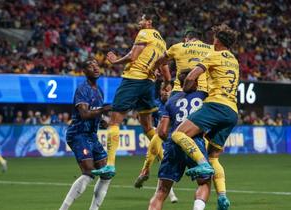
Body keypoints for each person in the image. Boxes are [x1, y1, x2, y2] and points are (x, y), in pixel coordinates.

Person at [170, 24, 239, 209]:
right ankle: (223, 196)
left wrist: (184, 90)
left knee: (178, 134)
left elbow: (192, 76)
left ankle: (202, 164)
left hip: (216, 105)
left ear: (217, 40)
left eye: (214, 38)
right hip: (232, 112)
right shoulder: (234, 60)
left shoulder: (213, 55)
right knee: (214, 156)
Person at [92, 7, 167, 177]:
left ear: (149, 22)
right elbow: (164, 66)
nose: (139, 22)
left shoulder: (144, 33)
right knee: (148, 127)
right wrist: (166, 82)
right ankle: (165, 160)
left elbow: (133, 57)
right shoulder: (162, 41)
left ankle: (110, 165)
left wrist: (115, 61)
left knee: (114, 121)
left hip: (133, 79)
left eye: (142, 19)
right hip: (149, 83)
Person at [135, 27, 212, 188]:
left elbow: (160, 61)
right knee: (198, 133)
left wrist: (157, 74)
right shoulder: (211, 49)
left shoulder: (178, 47)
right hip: (203, 94)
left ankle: (146, 168)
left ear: (186, 39)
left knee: (162, 132)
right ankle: (204, 164)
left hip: (179, 94)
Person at [148, 70, 210, 210]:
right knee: (204, 182)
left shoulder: (171, 100)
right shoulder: (204, 96)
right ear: (193, 81)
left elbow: (162, 132)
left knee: (162, 191)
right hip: (195, 143)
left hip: (173, 145)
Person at [59, 59, 112, 210]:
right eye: (90, 66)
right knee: (89, 172)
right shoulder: (83, 89)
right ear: (84, 72)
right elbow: (83, 114)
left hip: (91, 135)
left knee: (107, 173)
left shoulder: (99, 90)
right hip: (78, 133)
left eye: (96, 64)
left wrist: (101, 120)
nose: (95, 67)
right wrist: (103, 111)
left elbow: (94, 112)